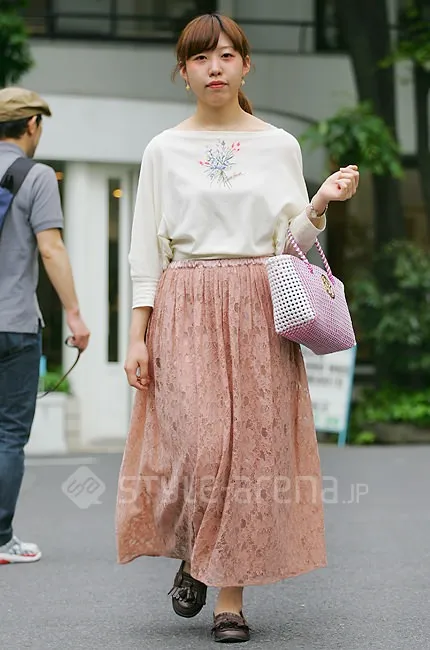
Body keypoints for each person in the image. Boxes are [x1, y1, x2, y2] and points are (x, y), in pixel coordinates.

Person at [116, 13, 359, 643]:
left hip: (258, 305)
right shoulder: (162, 149)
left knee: (247, 453)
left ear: (246, 66)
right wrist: (137, 333)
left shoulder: (279, 145)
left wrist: (321, 202)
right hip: (186, 303)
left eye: (226, 55)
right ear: (184, 72)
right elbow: (146, 249)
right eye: (201, 58)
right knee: (199, 446)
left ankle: (229, 599)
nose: (215, 68)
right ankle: (197, 551)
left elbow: (291, 242)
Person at [0, 87, 90, 565]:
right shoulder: (35, 176)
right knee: (8, 435)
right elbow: (51, 249)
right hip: (14, 324)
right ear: (32, 125)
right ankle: (0, 539)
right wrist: (74, 314)